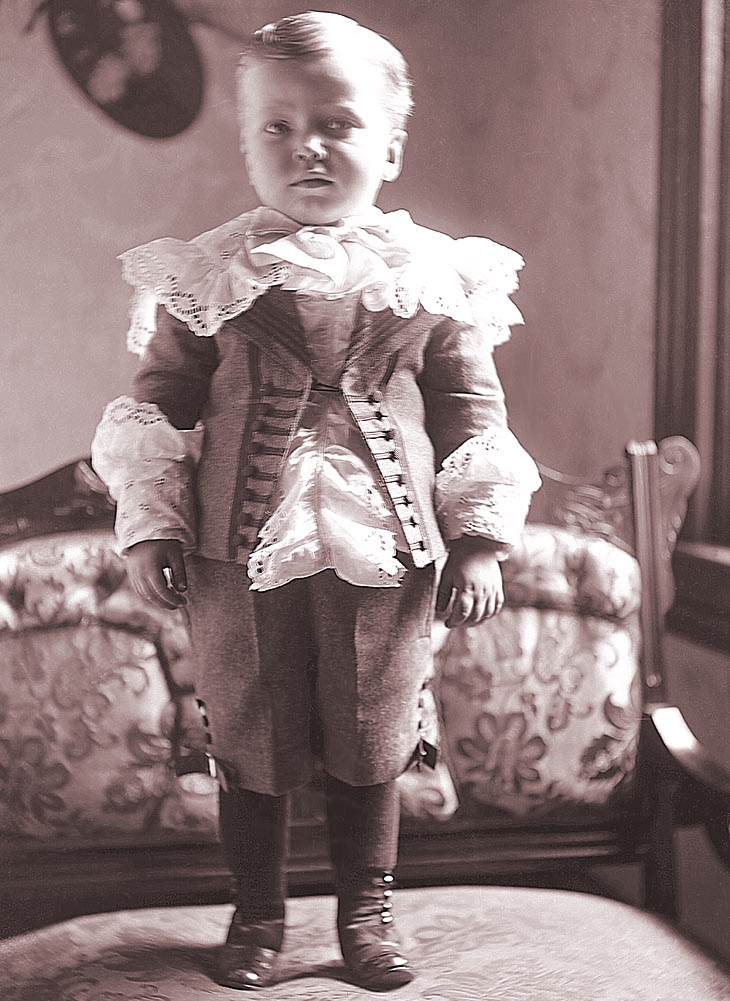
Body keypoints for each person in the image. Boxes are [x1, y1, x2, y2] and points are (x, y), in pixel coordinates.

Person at [92, 10, 540, 993]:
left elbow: (470, 410)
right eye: (278, 128)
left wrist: (478, 540)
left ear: (388, 142)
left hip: (387, 546)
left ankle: (366, 911)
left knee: (372, 728)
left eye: (335, 122)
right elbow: (158, 407)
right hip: (234, 547)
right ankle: (256, 913)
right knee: (248, 729)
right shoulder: (207, 277)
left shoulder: (434, 275)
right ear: (248, 143)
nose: (307, 148)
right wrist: (153, 522)